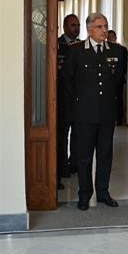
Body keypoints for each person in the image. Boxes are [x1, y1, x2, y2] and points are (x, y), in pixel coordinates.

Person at [62, 13, 127, 210]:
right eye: (99, 27)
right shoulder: (76, 51)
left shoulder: (117, 51)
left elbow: (119, 81)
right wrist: (81, 101)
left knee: (105, 154)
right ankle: (84, 194)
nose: (104, 30)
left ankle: (103, 192)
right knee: (84, 156)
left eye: (105, 26)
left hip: (107, 112)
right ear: (90, 30)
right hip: (84, 113)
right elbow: (67, 79)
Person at [57, 14, 80, 189]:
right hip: (62, 97)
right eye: (73, 25)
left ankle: (74, 164)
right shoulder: (57, 44)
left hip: (79, 98)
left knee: (78, 134)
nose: (76, 28)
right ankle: (62, 166)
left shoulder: (82, 46)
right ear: (65, 26)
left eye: (78, 25)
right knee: (62, 134)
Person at [107, 30, 128, 126]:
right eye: (109, 36)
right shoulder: (105, 49)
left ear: (115, 37)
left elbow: (124, 66)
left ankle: (119, 118)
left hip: (119, 79)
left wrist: (119, 78)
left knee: (119, 99)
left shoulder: (122, 49)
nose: (111, 38)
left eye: (112, 36)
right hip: (107, 80)